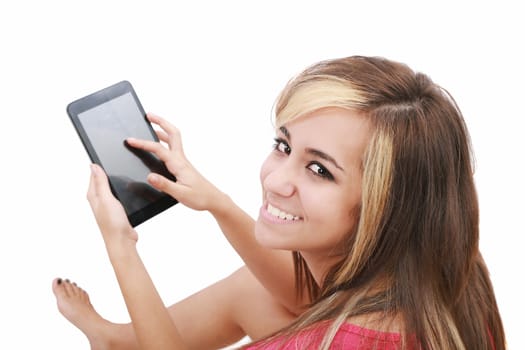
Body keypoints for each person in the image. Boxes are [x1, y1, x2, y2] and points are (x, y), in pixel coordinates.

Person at [52, 55, 506, 349]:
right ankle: (114, 339)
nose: (275, 181)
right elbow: (308, 294)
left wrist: (120, 244)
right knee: (254, 286)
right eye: (284, 146)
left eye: (320, 169)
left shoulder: (325, 343)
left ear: (387, 208)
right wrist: (217, 203)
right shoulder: (447, 271)